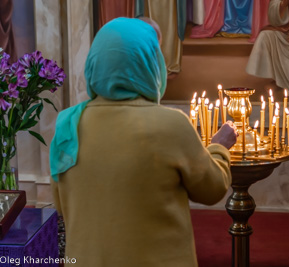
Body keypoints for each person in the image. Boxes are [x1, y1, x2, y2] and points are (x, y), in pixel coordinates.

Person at [49, 17, 237, 266]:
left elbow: (62, 204)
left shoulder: (67, 125)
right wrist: (219, 147)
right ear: (151, 64)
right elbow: (212, 188)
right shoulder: (170, 124)